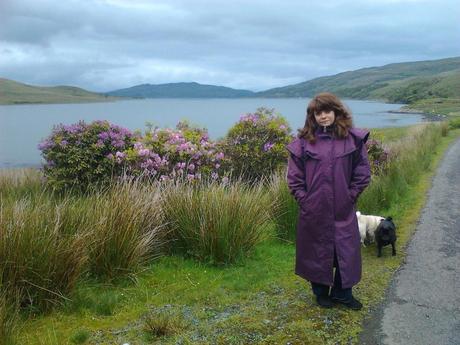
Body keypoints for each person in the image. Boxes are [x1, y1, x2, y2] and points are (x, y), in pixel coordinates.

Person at [286, 92, 371, 310]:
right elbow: (294, 179)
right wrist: (306, 201)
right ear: (312, 116)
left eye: (327, 111)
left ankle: (343, 294)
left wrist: (350, 196)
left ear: (336, 112)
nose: (323, 116)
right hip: (314, 210)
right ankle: (321, 294)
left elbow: (362, 174)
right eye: (318, 112)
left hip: (344, 208)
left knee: (346, 250)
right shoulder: (303, 144)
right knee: (317, 251)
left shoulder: (352, 139)